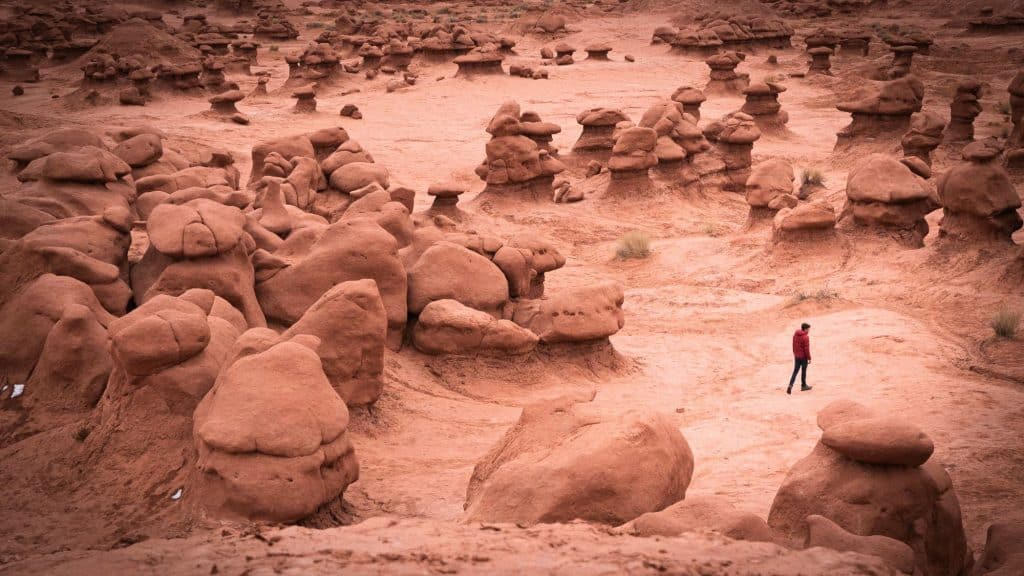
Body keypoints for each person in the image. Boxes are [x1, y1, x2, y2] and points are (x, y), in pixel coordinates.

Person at [787, 323, 812, 394]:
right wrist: (809, 358)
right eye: (808, 329)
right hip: (803, 357)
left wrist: (795, 354)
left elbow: (793, 345)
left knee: (795, 371)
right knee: (803, 371)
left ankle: (790, 385)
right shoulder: (806, 337)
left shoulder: (795, 335)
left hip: (797, 356)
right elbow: (806, 349)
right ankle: (803, 385)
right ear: (805, 329)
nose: (809, 330)